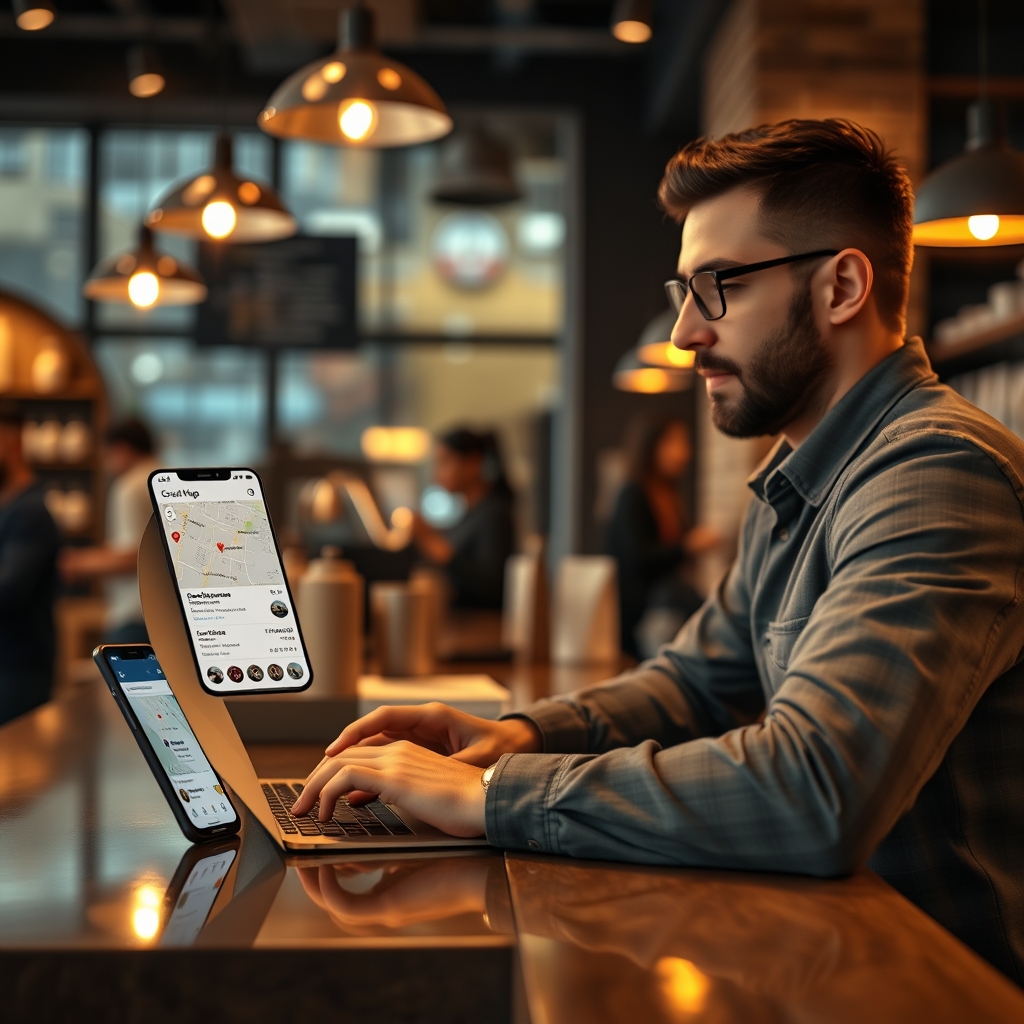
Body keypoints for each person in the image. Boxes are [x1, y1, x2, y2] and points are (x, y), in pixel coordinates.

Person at [291, 120, 1024, 982]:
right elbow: (696, 682)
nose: (683, 333)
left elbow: (814, 792)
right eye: (684, 289)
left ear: (842, 286)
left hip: (942, 984)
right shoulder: (800, 472)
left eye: (717, 287)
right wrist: (515, 736)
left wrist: (491, 798)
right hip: (833, 957)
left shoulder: (934, 471)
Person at [606, 416, 719, 658]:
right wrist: (688, 546)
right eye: (673, 443)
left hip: (663, 608)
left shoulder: (670, 494)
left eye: (684, 443)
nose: (682, 452)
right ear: (651, 446)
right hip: (638, 612)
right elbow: (637, 558)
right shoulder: (633, 493)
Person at [60, 418, 158, 643]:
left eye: (106, 454)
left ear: (121, 449)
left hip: (134, 614)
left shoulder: (130, 487)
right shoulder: (164, 478)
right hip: (165, 616)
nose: (106, 463)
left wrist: (78, 563)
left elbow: (133, 556)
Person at [0, 402, 60, 727]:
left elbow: (8, 590)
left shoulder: (30, 512)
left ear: (14, 444)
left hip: (18, 671)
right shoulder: (9, 507)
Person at [411, 427, 515, 609]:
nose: (436, 474)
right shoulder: (469, 514)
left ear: (472, 464)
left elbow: (493, 588)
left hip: (482, 626)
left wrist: (435, 544)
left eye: (445, 462)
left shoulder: (494, 514)